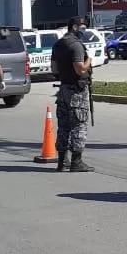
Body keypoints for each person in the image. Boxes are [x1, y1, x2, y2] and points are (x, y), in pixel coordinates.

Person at [50, 17, 94, 172]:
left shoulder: (58, 44)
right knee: (79, 126)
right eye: (83, 27)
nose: (84, 30)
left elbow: (54, 69)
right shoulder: (76, 45)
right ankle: (76, 162)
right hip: (77, 92)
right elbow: (80, 69)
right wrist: (89, 60)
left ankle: (62, 161)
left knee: (63, 127)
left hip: (63, 91)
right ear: (74, 27)